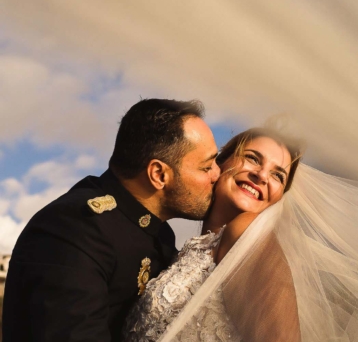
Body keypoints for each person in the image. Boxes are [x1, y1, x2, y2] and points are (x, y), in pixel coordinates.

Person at [2, 98, 221, 342]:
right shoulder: (73, 229)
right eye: (206, 167)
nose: (217, 174)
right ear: (159, 174)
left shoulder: (158, 233)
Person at [123, 123, 305, 342]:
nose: (262, 176)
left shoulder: (247, 233)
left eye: (278, 175)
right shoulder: (186, 249)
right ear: (218, 164)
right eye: (253, 159)